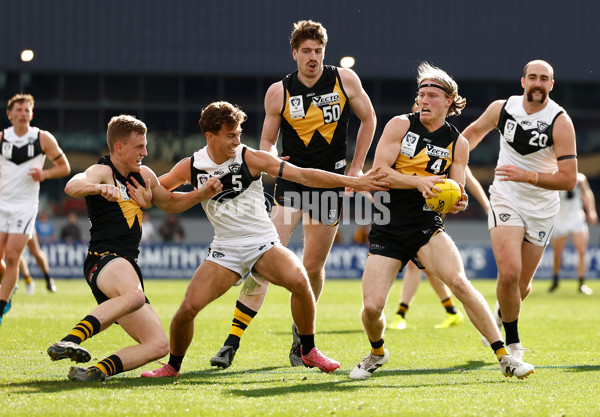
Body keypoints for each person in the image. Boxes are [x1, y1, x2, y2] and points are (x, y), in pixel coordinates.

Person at [141, 101, 388, 378]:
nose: (238, 140)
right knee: (187, 308)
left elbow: (304, 175)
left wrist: (353, 182)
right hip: (225, 248)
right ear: (210, 136)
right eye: (230, 135)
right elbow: (159, 196)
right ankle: (172, 366)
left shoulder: (250, 157)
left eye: (239, 133)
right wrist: (190, 194)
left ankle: (308, 349)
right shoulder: (192, 166)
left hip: (262, 242)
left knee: (301, 281)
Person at [349, 62, 533, 381]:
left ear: (449, 101)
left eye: (432, 95)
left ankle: (505, 357)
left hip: (426, 228)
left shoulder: (457, 143)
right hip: (388, 228)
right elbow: (379, 173)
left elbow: (454, 191)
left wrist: (458, 201)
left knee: (460, 283)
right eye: (421, 94)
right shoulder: (399, 126)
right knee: (372, 309)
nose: (424, 100)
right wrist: (418, 182)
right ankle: (377, 352)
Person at [210, 19, 377, 369]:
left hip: (328, 185)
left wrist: (356, 168)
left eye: (318, 51)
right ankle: (232, 341)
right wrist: (268, 157)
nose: (313, 57)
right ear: (294, 54)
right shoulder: (279, 91)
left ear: (324, 52)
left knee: (313, 268)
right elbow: (267, 140)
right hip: (290, 185)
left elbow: (369, 119)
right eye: (306, 51)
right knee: (263, 259)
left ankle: (302, 341)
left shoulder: (345, 80)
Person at [46, 114, 223, 382]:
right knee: (136, 296)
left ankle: (95, 372)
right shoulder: (104, 170)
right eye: (139, 146)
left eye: (145, 145)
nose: (146, 152)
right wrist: (98, 188)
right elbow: (72, 185)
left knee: (158, 344)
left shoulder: (145, 175)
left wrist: (202, 194)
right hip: (104, 260)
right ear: (119, 148)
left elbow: (172, 203)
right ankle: (68, 341)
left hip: (126, 266)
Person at [461, 59, 577, 365]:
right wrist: (453, 167)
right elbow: (470, 135)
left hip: (542, 209)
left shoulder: (560, 121)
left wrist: (529, 176)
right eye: (533, 77)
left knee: (521, 286)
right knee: (509, 273)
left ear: (552, 85)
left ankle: (501, 313)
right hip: (505, 197)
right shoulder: (502, 108)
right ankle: (512, 345)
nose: (538, 83)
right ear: (523, 81)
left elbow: (567, 179)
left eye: (544, 79)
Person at [388, 167, 490, 330]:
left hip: (430, 213)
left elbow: (467, 177)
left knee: (416, 264)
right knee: (428, 267)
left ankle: (401, 314)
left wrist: (486, 205)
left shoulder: (453, 147)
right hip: (416, 210)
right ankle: (451, 312)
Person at [0, 94, 71, 326]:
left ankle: (1, 306)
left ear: (32, 114)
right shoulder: (2, 138)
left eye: (27, 110)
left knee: (12, 257)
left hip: (25, 207)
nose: (23, 114)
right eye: (18, 110)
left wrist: (46, 174)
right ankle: (11, 286)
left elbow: (64, 167)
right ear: (10, 114)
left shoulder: (41, 138)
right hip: (2, 204)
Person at [549, 172, 597, 294]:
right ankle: (555, 281)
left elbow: (587, 194)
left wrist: (591, 211)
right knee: (557, 253)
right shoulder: (555, 177)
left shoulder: (580, 179)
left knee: (582, 250)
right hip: (560, 219)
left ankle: (582, 284)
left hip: (577, 218)